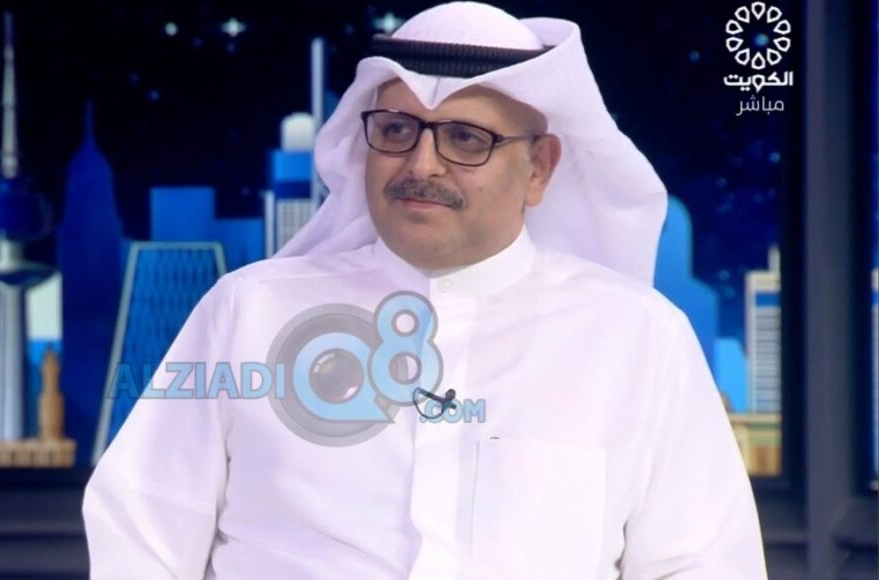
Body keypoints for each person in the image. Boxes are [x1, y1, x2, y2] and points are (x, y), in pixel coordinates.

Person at [83, 2, 768, 579]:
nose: (422, 163)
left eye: (466, 138)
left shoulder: (638, 339)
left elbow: (703, 565)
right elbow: (139, 539)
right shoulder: (248, 312)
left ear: (539, 168)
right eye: (396, 130)